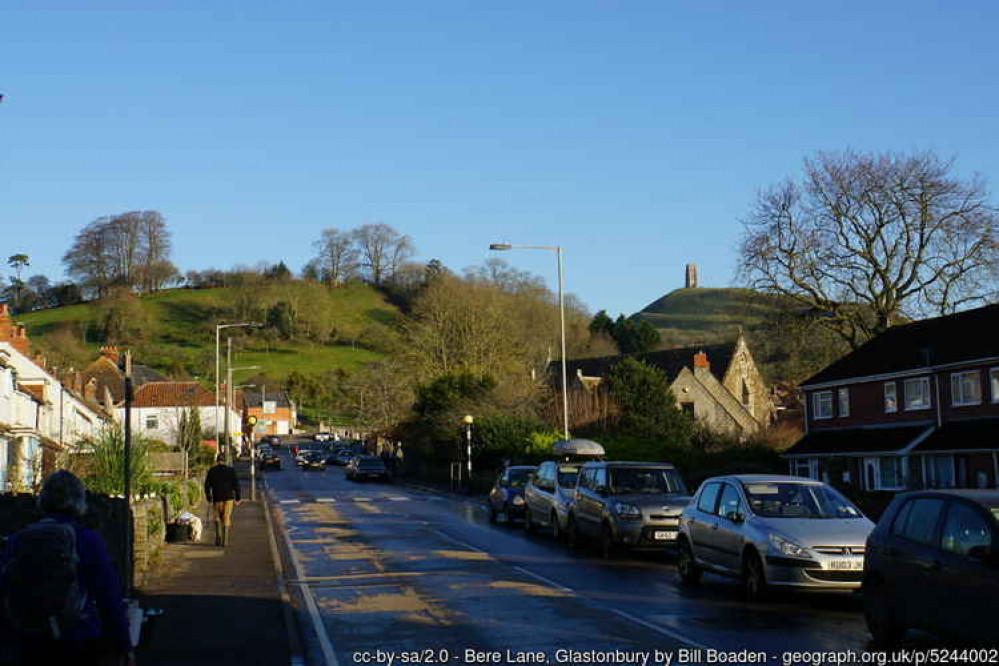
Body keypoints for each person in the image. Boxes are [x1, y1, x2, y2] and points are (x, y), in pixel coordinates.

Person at [0, 470, 135, 666]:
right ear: (79, 502)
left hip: (29, 639)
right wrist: (124, 645)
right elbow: (109, 597)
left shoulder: (19, 539)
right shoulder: (88, 540)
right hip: (78, 637)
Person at [204, 453, 241, 547]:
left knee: (217, 518)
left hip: (217, 498)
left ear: (217, 460)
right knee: (226, 517)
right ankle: (225, 541)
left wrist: (208, 496)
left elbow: (207, 485)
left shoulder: (212, 471)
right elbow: (236, 485)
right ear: (225, 461)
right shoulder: (231, 471)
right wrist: (238, 497)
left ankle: (218, 538)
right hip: (229, 498)